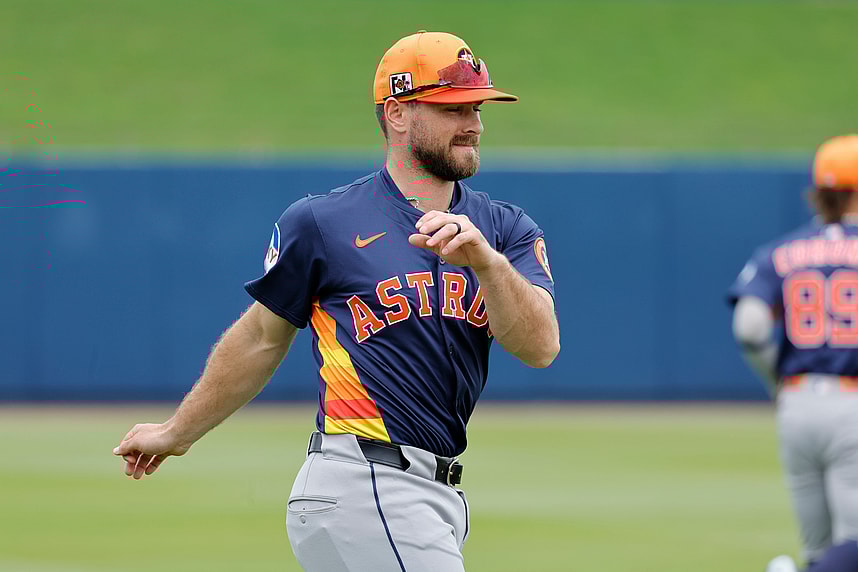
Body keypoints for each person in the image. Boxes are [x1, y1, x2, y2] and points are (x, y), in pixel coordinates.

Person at [112, 30, 560, 571]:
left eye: (477, 106)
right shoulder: (324, 223)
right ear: (397, 113)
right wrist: (176, 432)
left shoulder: (505, 229)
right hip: (364, 485)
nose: (474, 123)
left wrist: (487, 263)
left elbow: (540, 347)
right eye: (452, 107)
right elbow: (259, 338)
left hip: (435, 498)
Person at [727, 135, 858, 572]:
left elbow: (749, 328)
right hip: (853, 404)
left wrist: (777, 383)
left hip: (798, 405)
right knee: (853, 547)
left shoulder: (782, 251)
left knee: (820, 551)